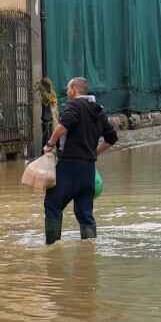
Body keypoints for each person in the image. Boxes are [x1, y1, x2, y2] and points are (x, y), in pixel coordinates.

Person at [42, 76, 119, 243]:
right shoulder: (98, 110)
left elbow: (63, 126)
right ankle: (89, 250)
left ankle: (52, 249)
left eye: (68, 89)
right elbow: (112, 138)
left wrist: (49, 144)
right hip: (88, 171)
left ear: (74, 90)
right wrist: (95, 152)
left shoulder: (75, 105)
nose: (67, 92)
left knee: (52, 205)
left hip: (69, 167)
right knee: (85, 214)